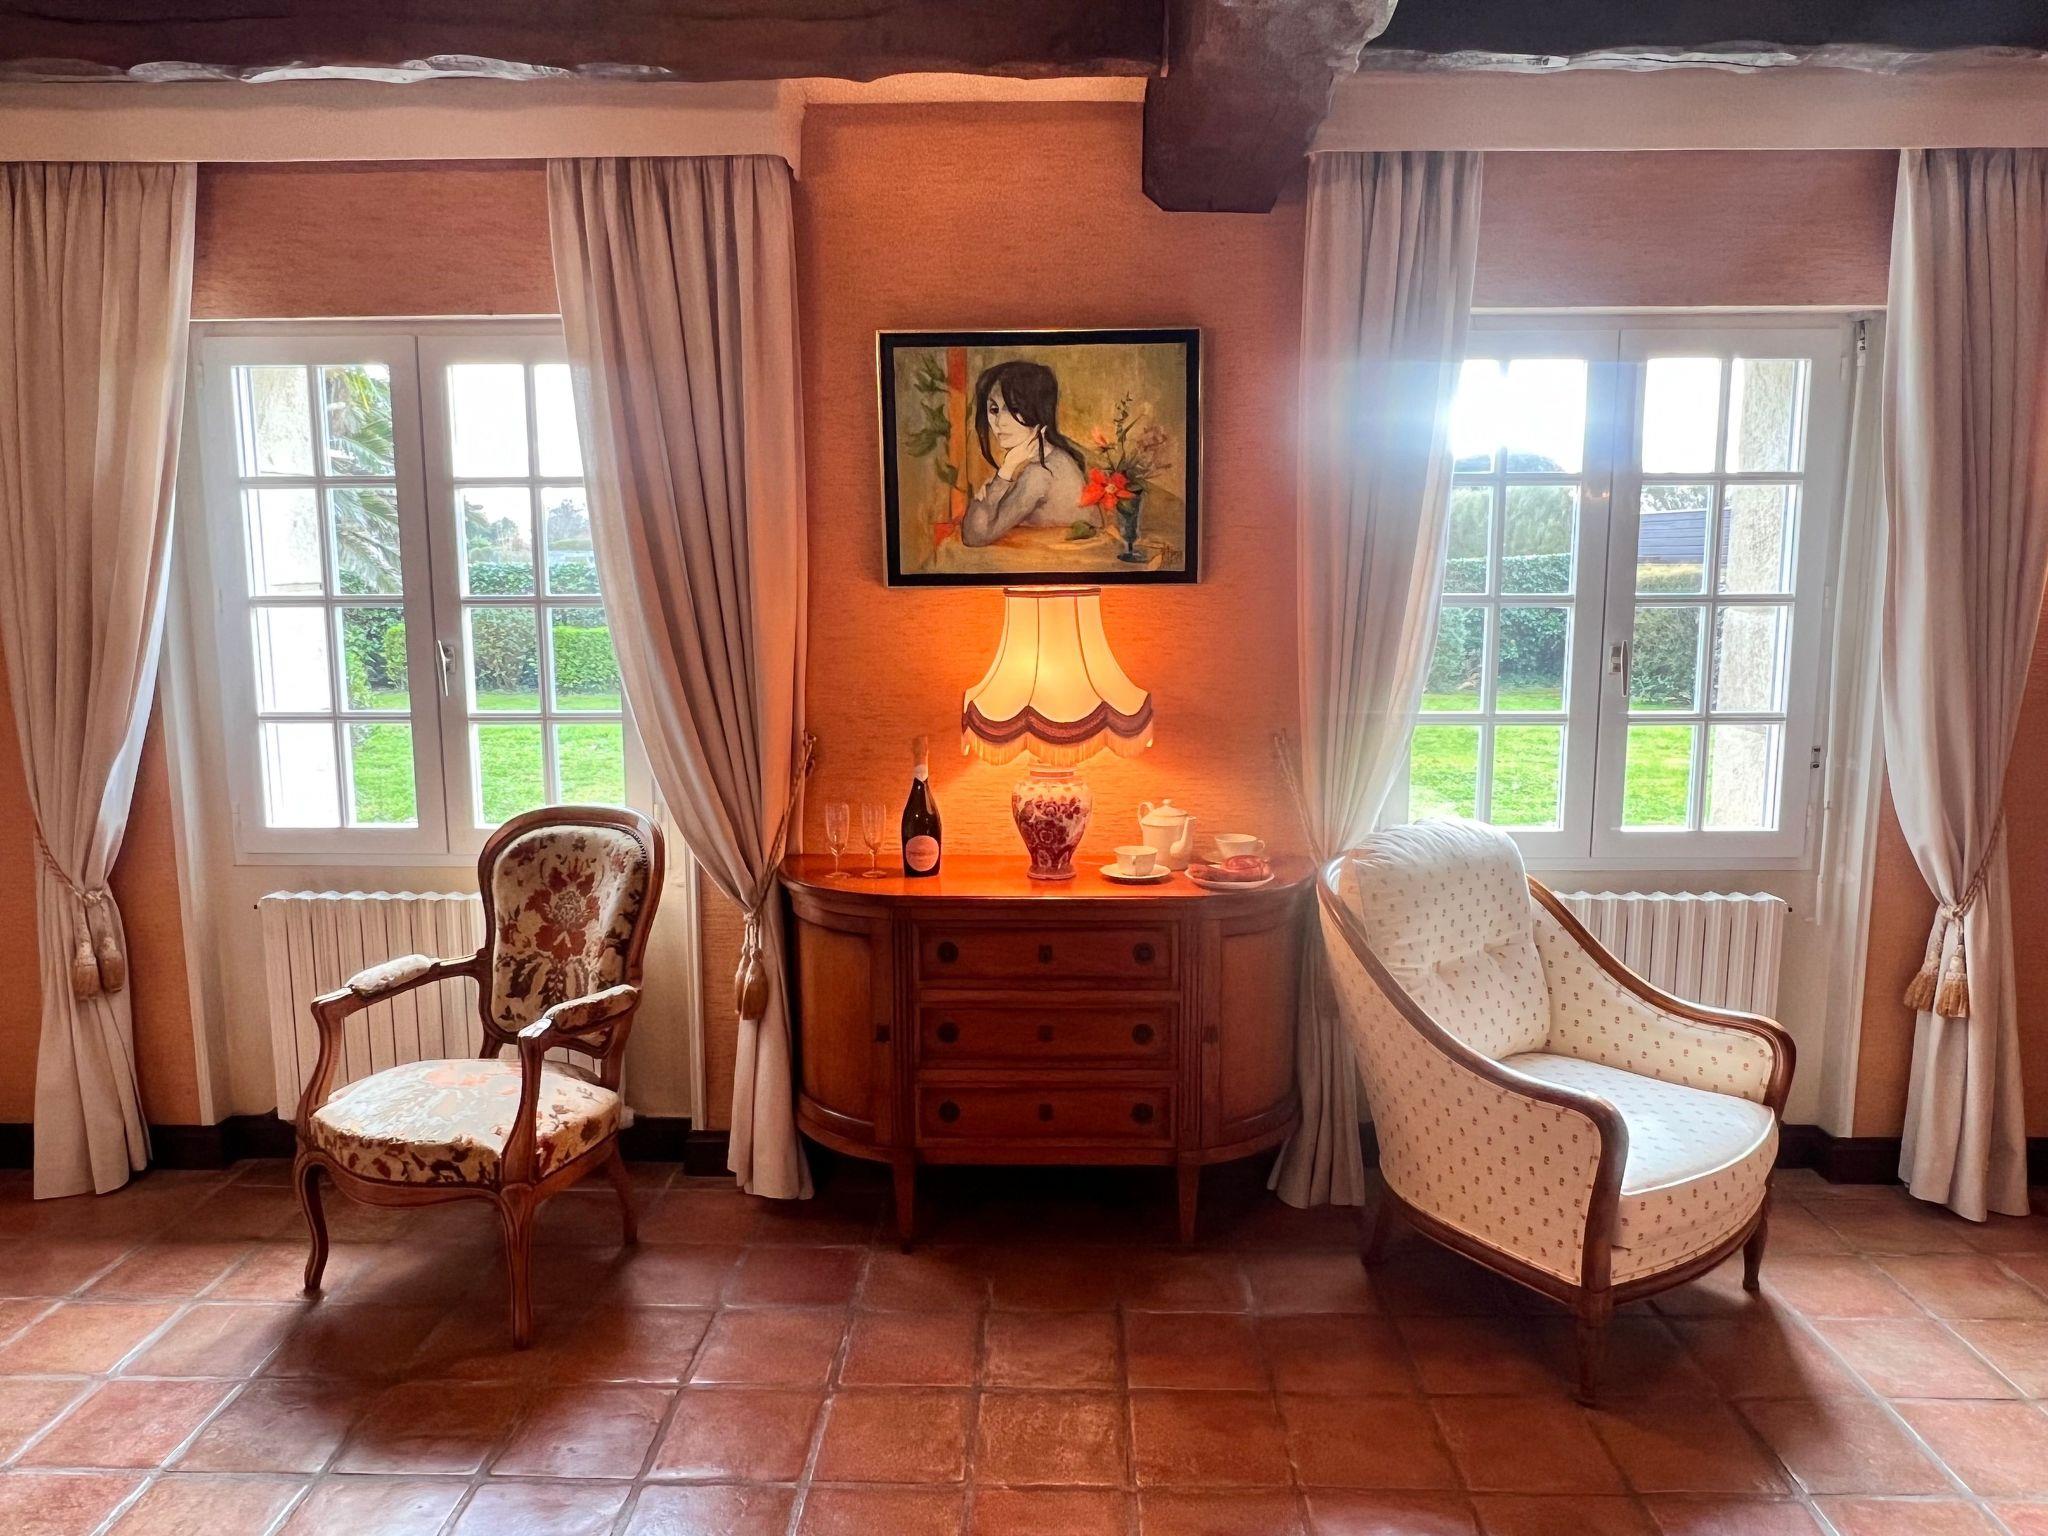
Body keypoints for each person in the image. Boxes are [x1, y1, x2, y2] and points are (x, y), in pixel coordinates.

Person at [959, 360, 1093, 546]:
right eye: (994, 410)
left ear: (1038, 411)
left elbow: (974, 536)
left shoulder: (1040, 473)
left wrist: (1005, 472)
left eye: (1014, 409)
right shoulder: (1048, 458)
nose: (999, 422)